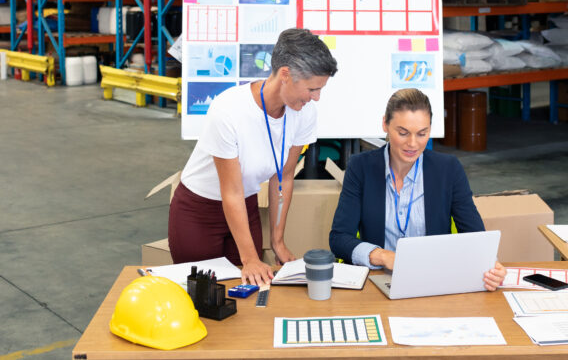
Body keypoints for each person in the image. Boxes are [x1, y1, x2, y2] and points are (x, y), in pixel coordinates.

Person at [168, 28, 338, 286]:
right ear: (285, 75)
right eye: (312, 88)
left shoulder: (304, 113)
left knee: (250, 293)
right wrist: (250, 258)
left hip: (244, 206)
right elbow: (230, 192)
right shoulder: (228, 110)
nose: (316, 98)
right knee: (202, 297)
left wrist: (277, 241)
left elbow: (284, 177)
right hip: (199, 211)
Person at [329, 88, 507, 291]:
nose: (412, 144)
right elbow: (339, 238)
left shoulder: (448, 169)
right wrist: (383, 256)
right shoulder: (361, 167)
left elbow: (476, 237)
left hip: (436, 281)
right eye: (403, 133)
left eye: (422, 134)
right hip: (378, 281)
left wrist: (491, 266)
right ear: (385, 124)